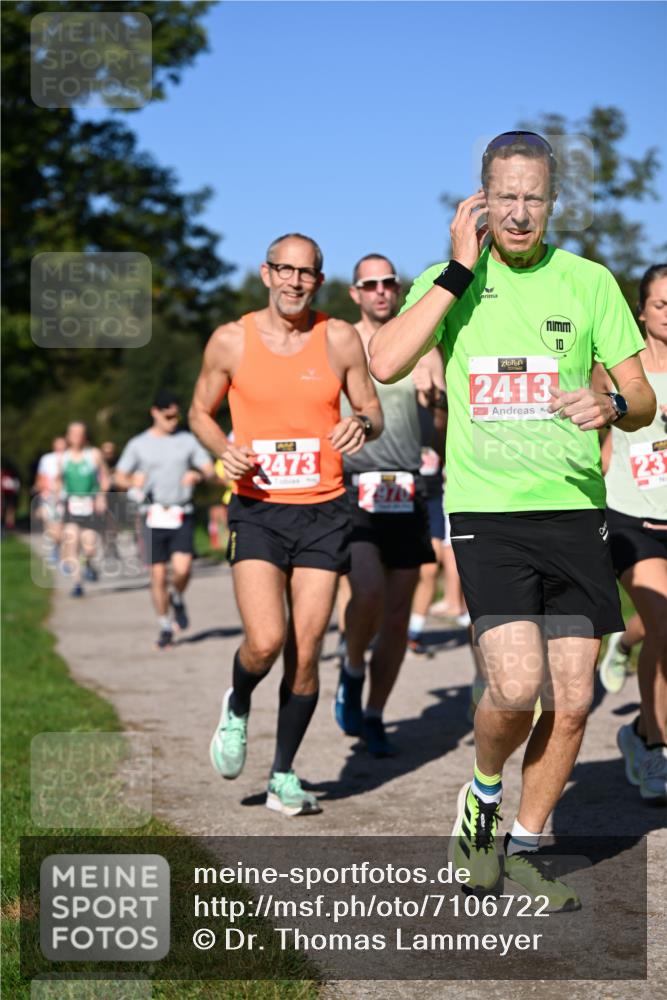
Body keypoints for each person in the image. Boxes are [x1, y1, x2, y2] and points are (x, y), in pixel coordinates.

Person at [369, 130, 656, 908]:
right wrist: (457, 268)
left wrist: (611, 402)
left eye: (534, 197)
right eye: (506, 197)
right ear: (481, 201)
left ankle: (523, 846)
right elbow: (384, 361)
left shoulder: (588, 281)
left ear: (552, 202)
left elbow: (642, 398)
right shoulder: (451, 280)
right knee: (516, 686)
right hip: (488, 510)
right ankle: (482, 793)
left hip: (572, 512)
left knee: (572, 703)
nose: (520, 213)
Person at [189, 232, 383, 816]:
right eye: (285, 270)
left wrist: (363, 427)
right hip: (258, 507)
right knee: (267, 640)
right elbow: (200, 410)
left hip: (325, 509)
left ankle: (283, 774)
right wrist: (223, 447)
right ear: (266, 273)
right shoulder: (231, 340)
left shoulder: (339, 337)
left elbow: (369, 406)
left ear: (318, 281)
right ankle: (239, 703)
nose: (296, 282)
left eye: (307, 273)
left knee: (304, 652)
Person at [334, 254, 443, 755]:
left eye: (388, 283)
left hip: (408, 489)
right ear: (355, 293)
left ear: (398, 290)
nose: (380, 291)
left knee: (398, 615)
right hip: (353, 486)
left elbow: (439, 436)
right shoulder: (340, 345)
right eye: (369, 284)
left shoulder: (423, 349)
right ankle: (352, 668)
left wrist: (435, 404)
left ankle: (375, 712)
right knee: (369, 592)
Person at [598, 263, 666, 803]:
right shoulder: (619, 365)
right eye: (662, 304)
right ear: (641, 310)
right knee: (664, 629)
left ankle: (638, 734)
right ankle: (656, 746)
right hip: (630, 516)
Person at [115, 391, 215, 649]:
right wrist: (131, 482)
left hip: (181, 512)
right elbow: (119, 477)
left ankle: (177, 596)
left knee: (182, 569)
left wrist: (197, 475)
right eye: (167, 416)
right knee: (158, 575)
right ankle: (164, 625)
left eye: (176, 415)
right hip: (152, 514)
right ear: (154, 413)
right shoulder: (138, 444)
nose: (173, 420)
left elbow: (209, 469)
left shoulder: (186, 440)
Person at [58, 423, 110, 597]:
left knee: (89, 547)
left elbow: (104, 475)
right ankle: (77, 583)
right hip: (71, 504)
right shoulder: (63, 458)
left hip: (90, 504)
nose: (77, 437)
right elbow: (58, 480)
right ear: (68, 436)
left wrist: (102, 496)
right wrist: (58, 496)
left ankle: (88, 564)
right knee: (72, 542)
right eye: (74, 433)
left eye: (80, 433)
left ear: (85, 436)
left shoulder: (93, 454)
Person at [33, 435, 66, 561]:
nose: (60, 447)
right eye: (58, 444)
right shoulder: (47, 459)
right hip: (49, 497)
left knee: (61, 527)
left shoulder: (70, 458)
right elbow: (41, 477)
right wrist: (42, 491)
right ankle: (55, 547)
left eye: (62, 444)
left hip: (64, 497)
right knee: (51, 526)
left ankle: (64, 552)